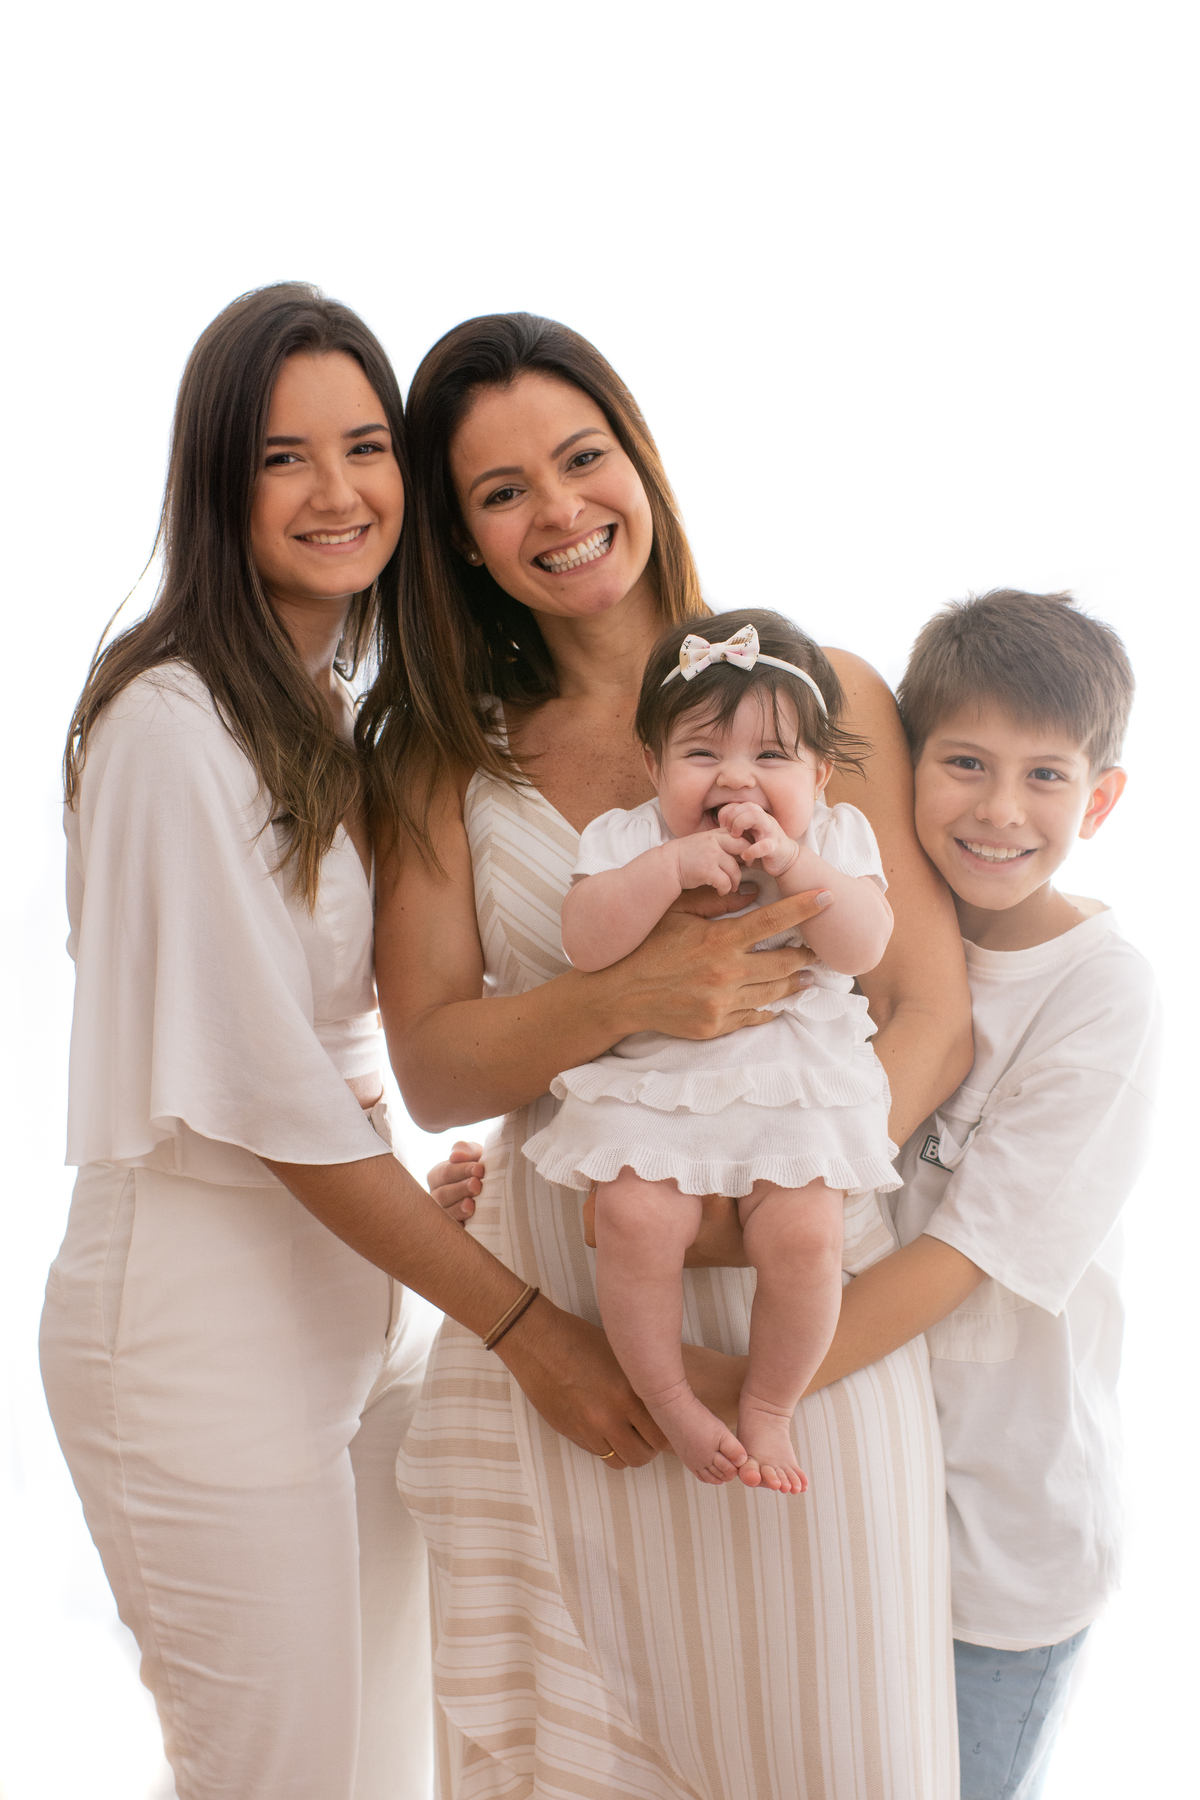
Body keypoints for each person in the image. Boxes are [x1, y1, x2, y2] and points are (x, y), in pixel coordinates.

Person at [40, 283, 676, 1800]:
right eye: (281, 457)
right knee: (283, 1777)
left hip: (348, 1306)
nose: (339, 492)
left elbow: (318, 1060)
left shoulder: (327, 707)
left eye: (368, 445)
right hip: (197, 1331)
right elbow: (262, 1105)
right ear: (215, 482)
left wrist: (403, 1184)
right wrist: (530, 1328)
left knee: (388, 1760)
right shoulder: (169, 726)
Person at [369, 310, 973, 1797]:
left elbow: (929, 1010)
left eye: (585, 457)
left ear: (640, 458)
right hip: (578, 1312)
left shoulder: (827, 695)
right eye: (502, 492)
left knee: (840, 1748)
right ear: (457, 540)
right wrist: (655, 990)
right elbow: (438, 1071)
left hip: (798, 1281)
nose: (563, 511)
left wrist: (768, 1176)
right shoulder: (445, 757)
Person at [886, 590, 1161, 1799]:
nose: (1000, 810)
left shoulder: (1102, 994)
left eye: (1044, 776)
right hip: (871, 1513)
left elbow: (958, 1265)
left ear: (1098, 800)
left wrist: (746, 1392)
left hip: (1005, 1559)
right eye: (964, 763)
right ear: (902, 771)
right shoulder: (873, 947)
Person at [524, 611, 896, 1493]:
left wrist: (797, 867)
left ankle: (770, 1404)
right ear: (652, 767)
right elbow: (586, 941)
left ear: (819, 774)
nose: (736, 778)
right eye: (700, 755)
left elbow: (865, 943)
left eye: (772, 757)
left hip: (792, 1088)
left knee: (807, 1238)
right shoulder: (627, 840)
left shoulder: (836, 841)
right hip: (659, 1081)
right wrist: (669, 868)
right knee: (631, 1220)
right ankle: (668, 1394)